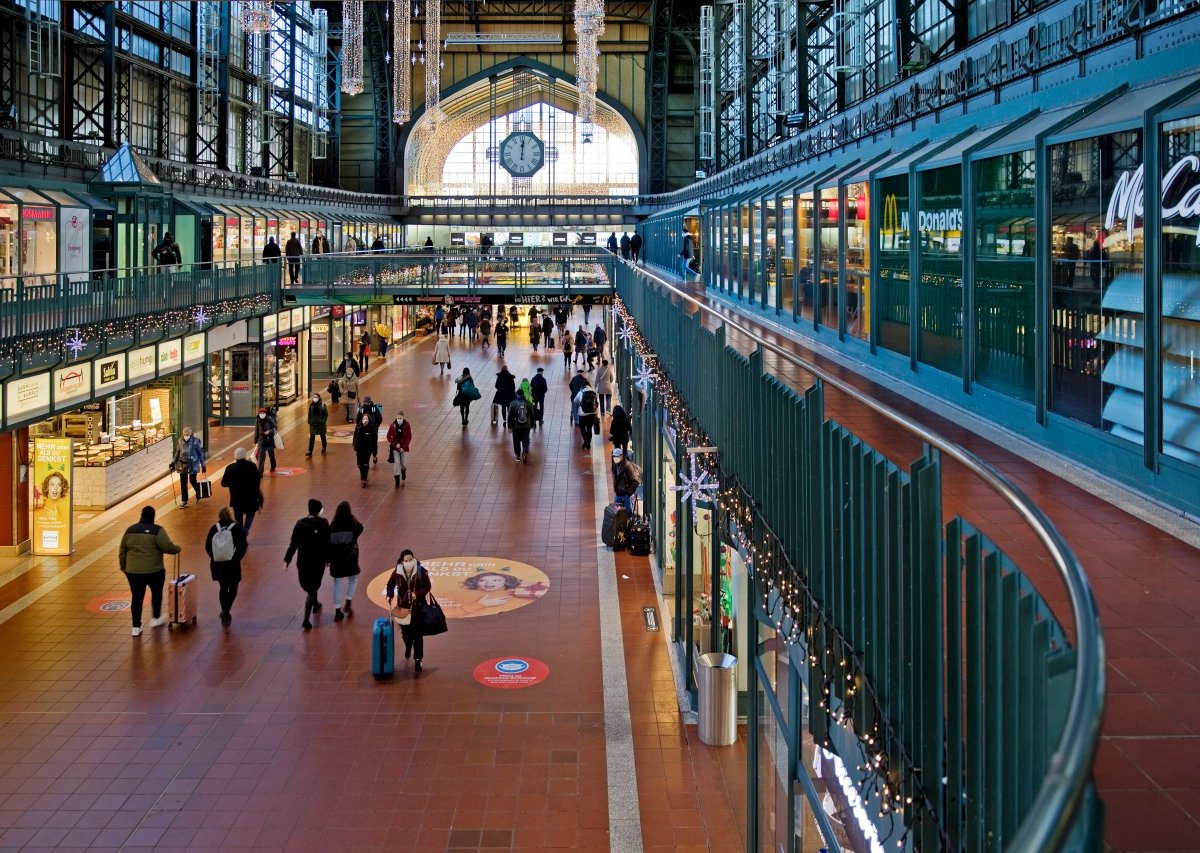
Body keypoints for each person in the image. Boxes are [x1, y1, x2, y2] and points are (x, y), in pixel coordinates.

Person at [119, 506, 181, 637]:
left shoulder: (130, 530)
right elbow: (168, 547)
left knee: (137, 597)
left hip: (133, 572)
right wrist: (177, 548)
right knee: (156, 592)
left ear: (141, 515)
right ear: (153, 516)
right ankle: (156, 618)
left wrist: (124, 568)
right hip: (154, 570)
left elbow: (122, 552)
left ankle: (136, 627)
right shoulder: (157, 530)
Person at [283, 499, 330, 631]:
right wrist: (329, 559)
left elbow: (293, 544)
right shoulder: (324, 523)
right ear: (319, 510)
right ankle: (306, 620)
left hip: (303, 561)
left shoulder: (300, 524)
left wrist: (287, 560)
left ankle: (315, 605)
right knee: (312, 588)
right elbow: (327, 543)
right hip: (318, 561)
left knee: (310, 586)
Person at [385, 549, 432, 671]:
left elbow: (427, 586)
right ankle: (407, 646)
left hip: (418, 609)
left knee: (418, 635)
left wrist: (417, 594)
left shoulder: (421, 571)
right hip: (403, 608)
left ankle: (418, 659)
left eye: (411, 559)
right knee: (405, 634)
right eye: (406, 560)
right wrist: (389, 594)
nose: (409, 562)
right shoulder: (397, 572)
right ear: (402, 561)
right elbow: (390, 584)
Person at [205, 506, 248, 627]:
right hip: (232, 564)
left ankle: (224, 610)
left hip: (217, 565)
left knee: (223, 587)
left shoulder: (214, 528)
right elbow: (243, 545)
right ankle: (226, 610)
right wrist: (236, 557)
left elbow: (208, 546)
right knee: (233, 587)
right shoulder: (236, 528)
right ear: (230, 516)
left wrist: (215, 557)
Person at [328, 501, 363, 621]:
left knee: (337, 584)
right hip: (350, 558)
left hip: (336, 560)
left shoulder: (331, 527)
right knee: (353, 580)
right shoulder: (353, 525)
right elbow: (360, 527)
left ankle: (337, 611)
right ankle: (348, 601)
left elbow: (328, 544)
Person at [221, 447, 263, 534]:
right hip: (251, 497)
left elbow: (224, 483)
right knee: (250, 514)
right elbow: (257, 480)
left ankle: (240, 532)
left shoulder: (230, 468)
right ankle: (245, 530)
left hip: (236, 498)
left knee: (238, 516)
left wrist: (233, 483)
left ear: (235, 456)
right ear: (245, 455)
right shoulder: (252, 466)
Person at [174, 426, 207, 509]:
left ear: (191, 434)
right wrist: (173, 462)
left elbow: (200, 453)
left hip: (193, 464)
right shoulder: (180, 440)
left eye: (187, 434)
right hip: (183, 464)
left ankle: (198, 492)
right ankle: (184, 501)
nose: (186, 436)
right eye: (184, 434)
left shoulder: (195, 441)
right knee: (183, 483)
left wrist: (203, 465)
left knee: (192, 480)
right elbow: (177, 452)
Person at [352, 407, 378, 487]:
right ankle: (362, 472)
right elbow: (355, 437)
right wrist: (354, 446)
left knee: (365, 463)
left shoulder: (372, 428)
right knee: (359, 464)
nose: (365, 420)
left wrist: (374, 453)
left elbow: (374, 441)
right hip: (359, 449)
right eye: (364, 419)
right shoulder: (358, 427)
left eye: (367, 419)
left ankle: (364, 478)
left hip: (367, 450)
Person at [386, 410, 412, 487]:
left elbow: (409, 437)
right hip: (395, 448)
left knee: (404, 464)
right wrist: (395, 444)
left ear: (403, 418)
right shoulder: (392, 425)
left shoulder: (407, 425)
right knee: (397, 463)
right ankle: (397, 481)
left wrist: (403, 447)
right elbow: (388, 436)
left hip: (404, 448)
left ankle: (403, 471)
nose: (399, 419)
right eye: (398, 418)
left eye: (400, 418)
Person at [612, 448, 643, 514]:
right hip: (619, 493)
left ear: (621, 456)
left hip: (625, 494)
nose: (615, 458)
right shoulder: (616, 465)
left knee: (627, 513)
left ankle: (628, 521)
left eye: (616, 456)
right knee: (615, 511)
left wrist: (628, 492)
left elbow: (635, 481)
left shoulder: (628, 466)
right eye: (614, 456)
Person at [508, 385, 534, 463]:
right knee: (526, 440)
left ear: (516, 394)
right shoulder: (528, 403)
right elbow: (532, 415)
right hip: (526, 426)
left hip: (516, 426)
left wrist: (509, 426)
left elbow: (510, 416)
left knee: (516, 441)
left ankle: (518, 456)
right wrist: (531, 424)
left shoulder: (513, 403)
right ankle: (525, 452)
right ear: (523, 395)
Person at [575, 381, 600, 452]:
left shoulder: (581, 392)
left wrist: (580, 403)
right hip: (592, 413)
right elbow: (596, 403)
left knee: (582, 427)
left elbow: (575, 401)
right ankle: (588, 443)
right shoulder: (593, 392)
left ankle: (586, 441)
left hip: (582, 413)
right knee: (589, 428)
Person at [254, 407, 278, 474]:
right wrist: (255, 441)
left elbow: (275, 427)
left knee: (271, 454)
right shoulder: (257, 420)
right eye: (261, 413)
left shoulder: (269, 419)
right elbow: (256, 431)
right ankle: (260, 472)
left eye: (263, 413)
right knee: (261, 457)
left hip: (269, 439)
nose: (262, 414)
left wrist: (269, 431)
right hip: (261, 440)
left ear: (266, 413)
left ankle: (273, 466)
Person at [306, 392, 328, 457]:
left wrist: (323, 421)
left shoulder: (323, 405)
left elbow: (326, 415)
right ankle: (310, 451)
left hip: (321, 424)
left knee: (322, 436)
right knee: (312, 437)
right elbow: (309, 414)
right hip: (313, 424)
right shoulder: (311, 405)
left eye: (316, 397)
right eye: (314, 397)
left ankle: (324, 446)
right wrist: (309, 420)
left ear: (319, 398)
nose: (315, 398)